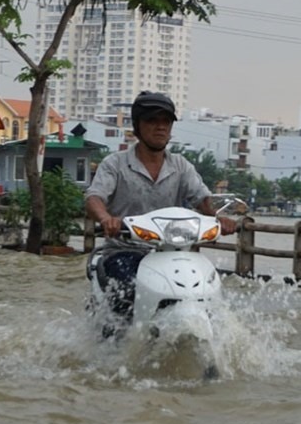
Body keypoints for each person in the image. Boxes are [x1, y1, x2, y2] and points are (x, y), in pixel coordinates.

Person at [84, 91, 237, 317]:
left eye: (166, 121)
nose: (160, 127)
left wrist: (219, 217)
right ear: (137, 126)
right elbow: (94, 198)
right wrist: (107, 219)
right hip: (125, 251)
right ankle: (118, 345)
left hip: (172, 252)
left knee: (207, 290)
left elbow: (202, 198)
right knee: (126, 292)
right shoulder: (115, 164)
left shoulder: (181, 166)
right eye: (152, 121)